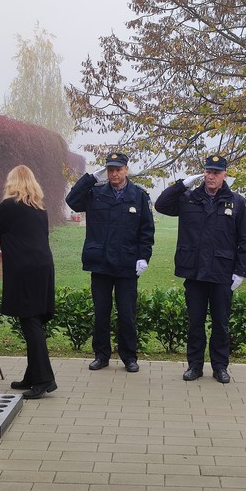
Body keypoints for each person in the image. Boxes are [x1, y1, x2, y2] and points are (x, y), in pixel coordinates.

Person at [154, 154, 246, 383]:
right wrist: (182, 185)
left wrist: (241, 271)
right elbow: (161, 205)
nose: (211, 176)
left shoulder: (236, 202)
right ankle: (195, 366)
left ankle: (220, 367)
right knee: (195, 322)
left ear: (224, 175)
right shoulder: (189, 198)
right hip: (195, 271)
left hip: (222, 273)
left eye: (216, 173)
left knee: (221, 323)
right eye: (208, 172)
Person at [65, 152, 154, 373]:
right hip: (101, 263)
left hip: (126, 264)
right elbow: (72, 200)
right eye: (110, 170)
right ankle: (101, 355)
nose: (114, 174)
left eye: (118, 169)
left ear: (126, 170)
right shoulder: (95, 193)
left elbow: (146, 231)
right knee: (101, 313)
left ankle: (129, 356)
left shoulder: (138, 196)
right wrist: (90, 178)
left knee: (127, 314)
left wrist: (144, 257)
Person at [0, 165, 57, 399]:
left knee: (30, 322)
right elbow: (35, 238)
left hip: (24, 270)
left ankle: (44, 380)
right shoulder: (40, 209)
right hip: (43, 268)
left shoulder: (9, 206)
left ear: (12, 182)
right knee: (34, 321)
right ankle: (32, 376)